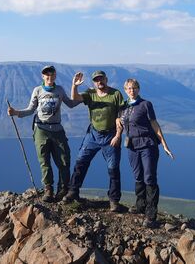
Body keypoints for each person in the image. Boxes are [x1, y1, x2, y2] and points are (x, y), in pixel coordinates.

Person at [7, 65, 80, 202]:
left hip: (57, 130)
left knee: (64, 161)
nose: (49, 76)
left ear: (55, 75)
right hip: (41, 130)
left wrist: (83, 95)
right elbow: (30, 109)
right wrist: (16, 112)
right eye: (46, 74)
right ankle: (48, 190)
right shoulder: (37, 90)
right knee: (44, 161)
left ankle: (63, 189)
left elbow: (70, 104)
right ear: (43, 76)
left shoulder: (59, 90)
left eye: (51, 74)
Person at [63, 70, 125, 212]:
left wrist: (118, 135)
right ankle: (73, 191)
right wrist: (74, 86)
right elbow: (75, 98)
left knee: (113, 169)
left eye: (101, 79)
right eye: (96, 80)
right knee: (81, 162)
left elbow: (121, 116)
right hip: (93, 135)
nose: (99, 82)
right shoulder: (90, 93)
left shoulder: (115, 94)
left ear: (106, 79)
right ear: (93, 82)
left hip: (111, 136)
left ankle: (114, 200)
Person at [119, 78, 174, 227]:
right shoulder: (122, 106)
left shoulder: (146, 105)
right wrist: (117, 132)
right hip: (132, 146)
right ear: (125, 90)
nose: (132, 90)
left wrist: (164, 144)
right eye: (129, 88)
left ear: (139, 89)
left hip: (147, 144)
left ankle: (151, 214)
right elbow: (120, 122)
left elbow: (155, 125)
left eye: (135, 88)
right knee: (137, 176)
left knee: (149, 177)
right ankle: (140, 206)